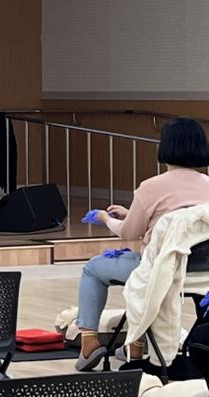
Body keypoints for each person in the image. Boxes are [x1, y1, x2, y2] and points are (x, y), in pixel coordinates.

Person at [74, 117, 209, 371]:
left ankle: (89, 342)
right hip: (202, 276)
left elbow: (129, 233)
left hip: (160, 271)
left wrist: (105, 219)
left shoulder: (152, 187)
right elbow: (180, 224)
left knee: (93, 268)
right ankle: (135, 345)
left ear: (165, 147)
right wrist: (134, 214)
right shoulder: (208, 186)